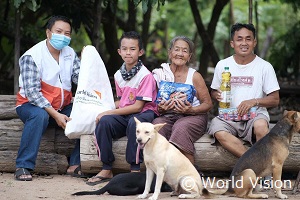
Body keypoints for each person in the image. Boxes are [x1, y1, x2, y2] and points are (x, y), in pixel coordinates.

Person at [86, 31, 158, 185]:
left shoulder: (145, 76)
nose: (128, 52)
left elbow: (138, 107)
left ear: (140, 52)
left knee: (135, 123)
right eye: (124, 49)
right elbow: (121, 102)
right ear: (119, 52)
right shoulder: (119, 75)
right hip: (126, 113)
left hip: (144, 113)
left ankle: (134, 169)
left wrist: (109, 111)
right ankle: (106, 168)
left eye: (133, 49)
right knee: (104, 122)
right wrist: (102, 110)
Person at [15, 15, 82, 181]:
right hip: (30, 106)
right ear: (48, 32)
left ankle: (75, 163)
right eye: (59, 31)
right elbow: (32, 93)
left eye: (67, 33)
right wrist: (55, 115)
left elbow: (80, 78)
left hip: (63, 106)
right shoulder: (32, 56)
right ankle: (23, 166)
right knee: (39, 115)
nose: (63, 36)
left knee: (89, 113)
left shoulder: (70, 53)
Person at [208, 23, 280, 158]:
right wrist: (216, 94)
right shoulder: (222, 65)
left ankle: (265, 174)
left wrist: (254, 101)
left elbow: (275, 99)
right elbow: (213, 91)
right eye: (239, 39)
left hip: (254, 116)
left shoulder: (265, 66)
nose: (244, 43)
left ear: (254, 42)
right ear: (232, 43)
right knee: (218, 130)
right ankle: (252, 160)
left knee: (261, 127)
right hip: (228, 116)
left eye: (248, 39)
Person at [152, 36, 213, 165]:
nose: (180, 54)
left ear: (189, 56)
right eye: (177, 49)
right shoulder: (160, 74)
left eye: (184, 51)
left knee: (181, 127)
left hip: (194, 116)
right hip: (167, 116)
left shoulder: (195, 76)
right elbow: (152, 103)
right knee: (157, 125)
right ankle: (161, 174)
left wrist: (191, 110)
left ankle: (191, 175)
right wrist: (161, 108)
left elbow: (208, 104)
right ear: (170, 53)